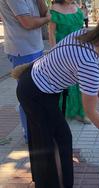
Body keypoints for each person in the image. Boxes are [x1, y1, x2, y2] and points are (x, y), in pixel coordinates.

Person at [15, 13, 99, 188]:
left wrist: (96, 87)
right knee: (56, 141)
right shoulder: (89, 63)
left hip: (34, 81)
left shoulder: (85, 34)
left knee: (56, 138)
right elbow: (91, 112)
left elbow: (71, 61)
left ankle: (48, 181)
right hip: (35, 93)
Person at [0, 0, 50, 143]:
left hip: (35, 47)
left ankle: (37, 130)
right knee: (28, 94)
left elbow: (43, 12)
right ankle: (31, 135)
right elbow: (28, 23)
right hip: (22, 50)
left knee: (38, 92)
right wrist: (47, 19)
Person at [48, 0, 90, 124]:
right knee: (64, 81)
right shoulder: (54, 8)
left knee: (80, 81)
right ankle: (63, 112)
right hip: (63, 51)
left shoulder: (76, 6)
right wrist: (54, 53)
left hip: (78, 50)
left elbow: (81, 29)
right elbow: (51, 33)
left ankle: (81, 112)